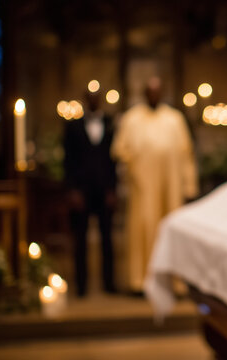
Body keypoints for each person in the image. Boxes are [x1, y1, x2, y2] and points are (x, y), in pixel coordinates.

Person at [111, 77, 198, 292]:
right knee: (144, 228)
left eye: (157, 91)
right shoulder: (132, 118)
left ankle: (173, 281)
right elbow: (119, 149)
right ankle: (140, 280)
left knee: (170, 229)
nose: (154, 95)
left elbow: (186, 153)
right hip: (144, 187)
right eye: (150, 91)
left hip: (171, 186)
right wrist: (136, 163)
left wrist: (189, 185)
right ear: (144, 94)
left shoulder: (174, 118)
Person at [63, 88, 117, 297]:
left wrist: (112, 189)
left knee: (107, 239)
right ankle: (81, 285)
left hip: (104, 191)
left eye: (97, 97)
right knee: (80, 239)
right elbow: (68, 161)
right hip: (81, 191)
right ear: (86, 100)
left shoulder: (111, 124)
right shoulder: (73, 126)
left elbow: (114, 161)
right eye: (90, 97)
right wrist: (72, 190)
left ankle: (109, 283)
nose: (94, 100)